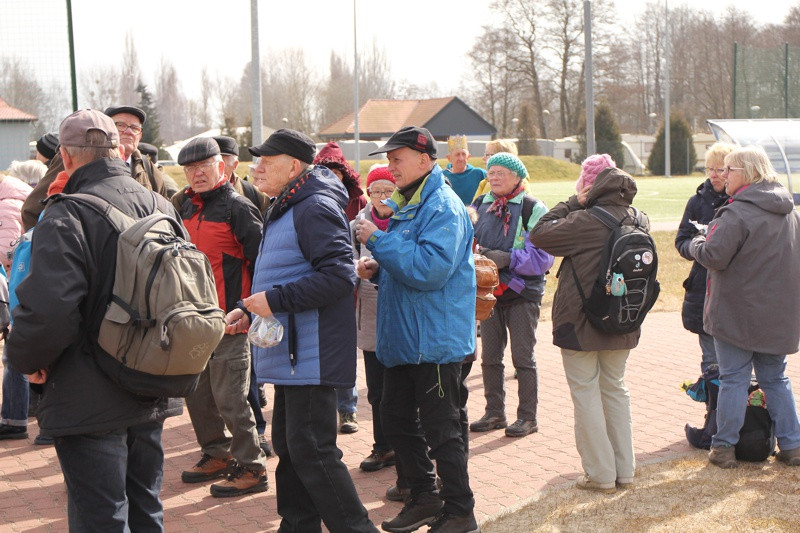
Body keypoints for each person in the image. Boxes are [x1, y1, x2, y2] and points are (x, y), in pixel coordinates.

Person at [6, 109, 183, 530]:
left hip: (88, 391)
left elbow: (49, 310)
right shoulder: (159, 203)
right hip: (153, 376)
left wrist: (24, 360)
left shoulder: (65, 213)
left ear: (65, 158)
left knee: (99, 515)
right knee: (145, 506)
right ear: (117, 150)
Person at [226, 129, 377, 532]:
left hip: (312, 352)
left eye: (265, 161)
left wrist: (273, 301)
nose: (255, 168)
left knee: (311, 449)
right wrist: (247, 307)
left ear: (294, 166)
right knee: (293, 448)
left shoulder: (313, 206)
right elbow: (286, 269)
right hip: (294, 353)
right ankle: (296, 526)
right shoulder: (288, 203)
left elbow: (339, 277)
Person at [356, 126, 479, 532]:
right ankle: (424, 497)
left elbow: (429, 269)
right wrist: (380, 267)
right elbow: (411, 261)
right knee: (394, 418)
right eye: (388, 159)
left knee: (441, 429)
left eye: (397, 159)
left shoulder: (442, 204)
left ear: (425, 161)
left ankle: (460, 510)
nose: (390, 167)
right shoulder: (408, 202)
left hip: (434, 342)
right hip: (407, 339)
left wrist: (377, 241)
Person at [529, 154, 639, 494]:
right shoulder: (639, 220)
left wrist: (570, 202)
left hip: (580, 322)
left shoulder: (587, 220)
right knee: (616, 391)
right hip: (623, 321)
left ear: (592, 190)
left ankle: (601, 475)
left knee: (586, 394)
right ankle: (625, 470)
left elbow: (539, 234)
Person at [687, 145, 800, 469]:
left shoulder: (736, 213)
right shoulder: (789, 212)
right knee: (775, 379)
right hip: (778, 315)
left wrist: (697, 242)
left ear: (747, 173)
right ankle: (792, 445)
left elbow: (712, 255)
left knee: (734, 379)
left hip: (737, 314)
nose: (723, 174)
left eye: (729, 169)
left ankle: (724, 447)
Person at [174, 137, 268, 498]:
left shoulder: (238, 208)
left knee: (230, 397)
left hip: (230, 322)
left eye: (204, 166)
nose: (197, 173)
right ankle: (216, 453)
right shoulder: (182, 207)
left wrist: (248, 309)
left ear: (222, 166)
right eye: (189, 168)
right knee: (196, 396)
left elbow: (262, 263)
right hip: (191, 323)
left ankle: (252, 467)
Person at [469, 153, 553, 438]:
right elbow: (469, 240)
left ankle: (528, 417)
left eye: (501, 172)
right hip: (488, 292)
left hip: (521, 294)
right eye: (490, 172)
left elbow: (543, 257)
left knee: (523, 358)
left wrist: (506, 258)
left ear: (518, 177)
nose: (493, 177)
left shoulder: (533, 208)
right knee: (490, 357)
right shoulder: (480, 204)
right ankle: (495, 413)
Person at [314, 140, 366, 434]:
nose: (333, 176)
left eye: (337, 170)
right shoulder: (310, 200)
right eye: (326, 170)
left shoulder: (356, 203)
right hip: (319, 284)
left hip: (349, 284)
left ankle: (348, 409)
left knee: (345, 348)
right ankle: (323, 409)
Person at [352, 165, 398, 472]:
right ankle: (382, 447)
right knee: (376, 387)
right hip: (369, 306)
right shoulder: (358, 221)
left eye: (388, 190)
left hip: (400, 305)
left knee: (402, 385)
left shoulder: (406, 217)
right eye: (376, 190)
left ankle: (406, 445)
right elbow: (346, 256)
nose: (381, 197)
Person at [675, 142, 732, 374]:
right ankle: (713, 409)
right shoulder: (696, 202)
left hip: (731, 290)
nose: (714, 175)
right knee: (711, 363)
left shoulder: (739, 202)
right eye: (709, 169)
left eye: (720, 170)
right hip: (702, 288)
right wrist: (699, 249)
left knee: (737, 366)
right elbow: (681, 241)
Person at [0, 170, 33, 442]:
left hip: (16, 289)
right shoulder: (14, 198)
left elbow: (6, 251)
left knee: (14, 357)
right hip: (19, 288)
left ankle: (14, 420)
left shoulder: (7, 205)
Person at [104, 105, 169, 198]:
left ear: (140, 136)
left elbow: (164, 208)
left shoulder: (149, 170)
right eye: (121, 125)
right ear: (106, 130)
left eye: (135, 128)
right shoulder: (93, 165)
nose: (129, 131)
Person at [443, 134, 486, 205]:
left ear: (468, 157)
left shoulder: (479, 174)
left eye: (463, 154)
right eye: (457, 155)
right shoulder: (443, 176)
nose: (461, 158)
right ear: (449, 158)